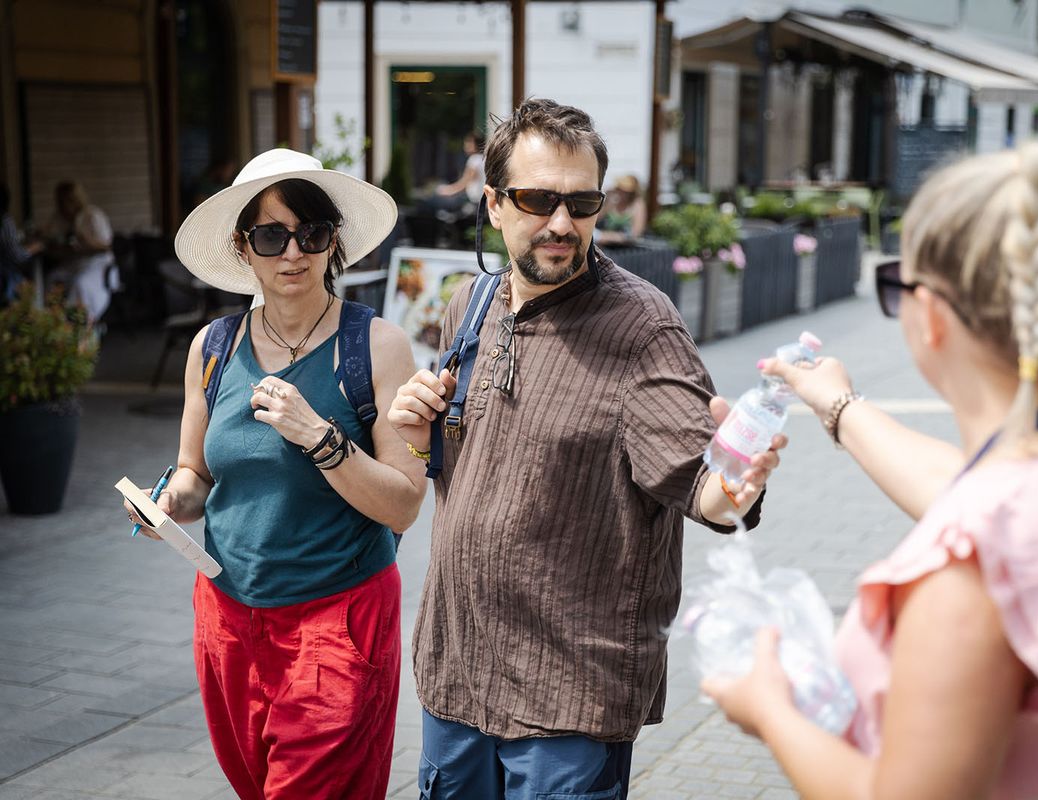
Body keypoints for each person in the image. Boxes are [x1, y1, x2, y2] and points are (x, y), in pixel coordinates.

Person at [703, 141, 1038, 798]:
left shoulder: (966, 581)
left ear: (935, 316)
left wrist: (769, 711)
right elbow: (973, 493)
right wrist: (836, 404)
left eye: (897, 286)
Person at [387, 98, 783, 799]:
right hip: (457, 669)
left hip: (568, 693)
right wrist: (421, 442)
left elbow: (704, 490)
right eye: (539, 200)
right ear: (495, 205)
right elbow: (471, 469)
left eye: (582, 201)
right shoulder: (469, 306)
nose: (563, 224)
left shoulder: (642, 327)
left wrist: (736, 480)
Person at [122, 148, 427, 799]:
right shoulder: (214, 346)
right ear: (244, 248)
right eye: (271, 235)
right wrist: (169, 503)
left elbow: (403, 507)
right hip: (229, 617)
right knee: (256, 785)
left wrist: (318, 436)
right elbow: (194, 472)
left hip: (336, 618)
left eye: (311, 233)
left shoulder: (375, 346)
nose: (293, 252)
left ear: (332, 242)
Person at [41, 181, 116, 322]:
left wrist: (85, 241)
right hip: (74, 262)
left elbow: (106, 247)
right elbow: (50, 239)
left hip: (96, 263)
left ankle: (82, 322)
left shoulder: (92, 215)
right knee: (52, 278)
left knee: (81, 284)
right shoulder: (60, 218)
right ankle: (53, 321)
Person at [421, 132, 485, 217]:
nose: (465, 145)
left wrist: (448, 191)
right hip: (479, 199)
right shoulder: (483, 158)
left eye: (469, 143)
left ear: (476, 144)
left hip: (472, 201)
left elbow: (464, 183)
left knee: (430, 202)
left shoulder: (474, 160)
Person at [0, 183, 43, 305]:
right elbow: (17, 256)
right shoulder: (5, 221)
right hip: (5, 278)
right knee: (30, 290)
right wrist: (36, 247)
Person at [595, 174, 647, 246]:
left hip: (626, 245)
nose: (622, 193)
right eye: (620, 190)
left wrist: (612, 237)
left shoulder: (637, 204)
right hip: (605, 244)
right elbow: (595, 219)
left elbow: (636, 233)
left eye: (626, 192)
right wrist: (606, 203)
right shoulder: (612, 202)